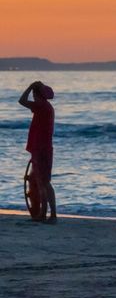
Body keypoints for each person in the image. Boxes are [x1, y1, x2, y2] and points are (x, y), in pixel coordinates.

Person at [19, 81, 56, 223]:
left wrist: (29, 87)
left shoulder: (41, 106)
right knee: (42, 182)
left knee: (44, 183)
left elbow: (21, 101)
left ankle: (51, 215)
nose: (33, 97)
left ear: (37, 95)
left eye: (34, 94)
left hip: (41, 149)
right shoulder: (46, 107)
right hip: (42, 148)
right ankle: (44, 213)